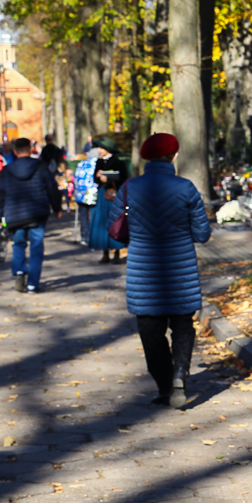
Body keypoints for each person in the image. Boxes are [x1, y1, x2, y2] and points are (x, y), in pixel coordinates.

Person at [110, 133, 211, 408]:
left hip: (144, 273)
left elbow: (115, 232)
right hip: (181, 272)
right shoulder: (186, 188)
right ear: (174, 156)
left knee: (150, 332)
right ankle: (180, 375)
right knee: (182, 325)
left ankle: (165, 384)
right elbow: (202, 234)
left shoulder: (130, 188)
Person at [0, 138, 62, 293]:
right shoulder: (41, 167)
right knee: (36, 247)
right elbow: (52, 188)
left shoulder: (5, 171)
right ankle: (33, 284)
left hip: (14, 214)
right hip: (37, 212)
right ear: (30, 150)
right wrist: (56, 207)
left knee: (18, 245)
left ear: (15, 151)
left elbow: (0, 195)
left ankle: (19, 271)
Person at [87, 137, 126, 263]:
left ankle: (117, 252)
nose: (98, 150)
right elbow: (94, 179)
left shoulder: (118, 162)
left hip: (114, 196)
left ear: (107, 149)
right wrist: (99, 177)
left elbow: (123, 178)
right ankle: (105, 252)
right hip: (102, 195)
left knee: (115, 222)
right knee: (101, 222)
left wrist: (108, 180)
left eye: (101, 148)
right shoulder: (98, 162)